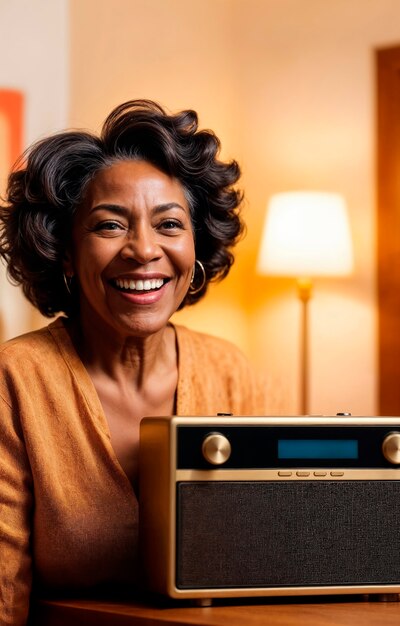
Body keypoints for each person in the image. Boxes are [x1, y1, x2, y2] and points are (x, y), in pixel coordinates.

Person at [0, 99, 285, 625]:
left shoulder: (231, 371)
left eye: (169, 224)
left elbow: (275, 563)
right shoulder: (16, 379)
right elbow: (2, 591)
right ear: (65, 251)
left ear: (197, 244)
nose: (144, 250)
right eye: (110, 227)